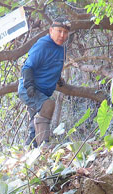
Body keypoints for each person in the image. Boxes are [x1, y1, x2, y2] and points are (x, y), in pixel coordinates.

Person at [18, 17, 71, 146]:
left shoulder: (61, 49)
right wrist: (29, 86)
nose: (62, 35)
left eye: (65, 32)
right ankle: (44, 146)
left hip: (44, 92)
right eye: (59, 31)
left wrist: (58, 79)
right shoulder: (43, 45)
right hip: (30, 90)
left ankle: (30, 151)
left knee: (34, 128)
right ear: (51, 30)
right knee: (48, 105)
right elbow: (27, 67)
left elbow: (54, 66)